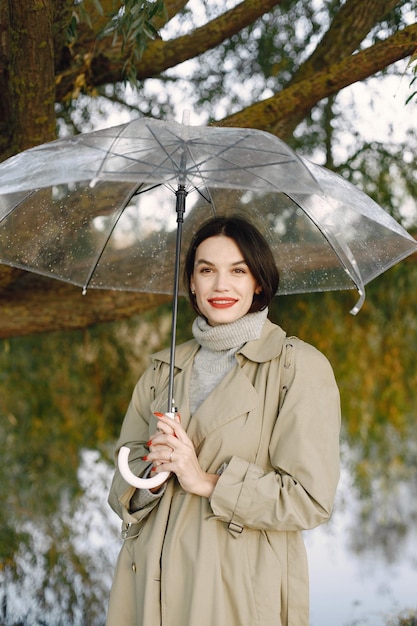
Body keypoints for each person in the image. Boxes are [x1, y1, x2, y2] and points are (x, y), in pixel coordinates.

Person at [106, 215, 341, 626]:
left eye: (238, 270)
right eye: (206, 270)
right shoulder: (162, 371)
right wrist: (155, 474)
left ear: (259, 282)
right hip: (149, 593)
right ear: (192, 283)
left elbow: (309, 501)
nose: (220, 285)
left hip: (235, 594)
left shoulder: (296, 368)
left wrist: (206, 481)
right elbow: (122, 488)